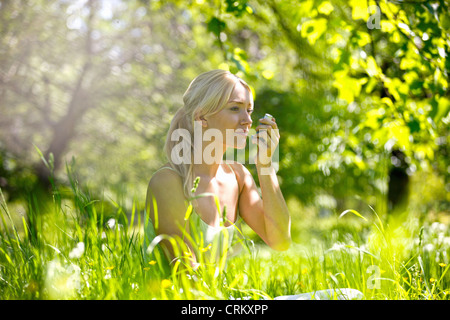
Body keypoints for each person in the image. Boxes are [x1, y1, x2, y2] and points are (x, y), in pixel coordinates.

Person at [145, 69, 363, 300]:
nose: (248, 120)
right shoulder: (168, 182)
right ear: (201, 118)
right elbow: (187, 277)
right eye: (235, 108)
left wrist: (265, 166)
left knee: (349, 295)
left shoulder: (237, 176)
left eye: (249, 110)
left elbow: (280, 240)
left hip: (224, 301)